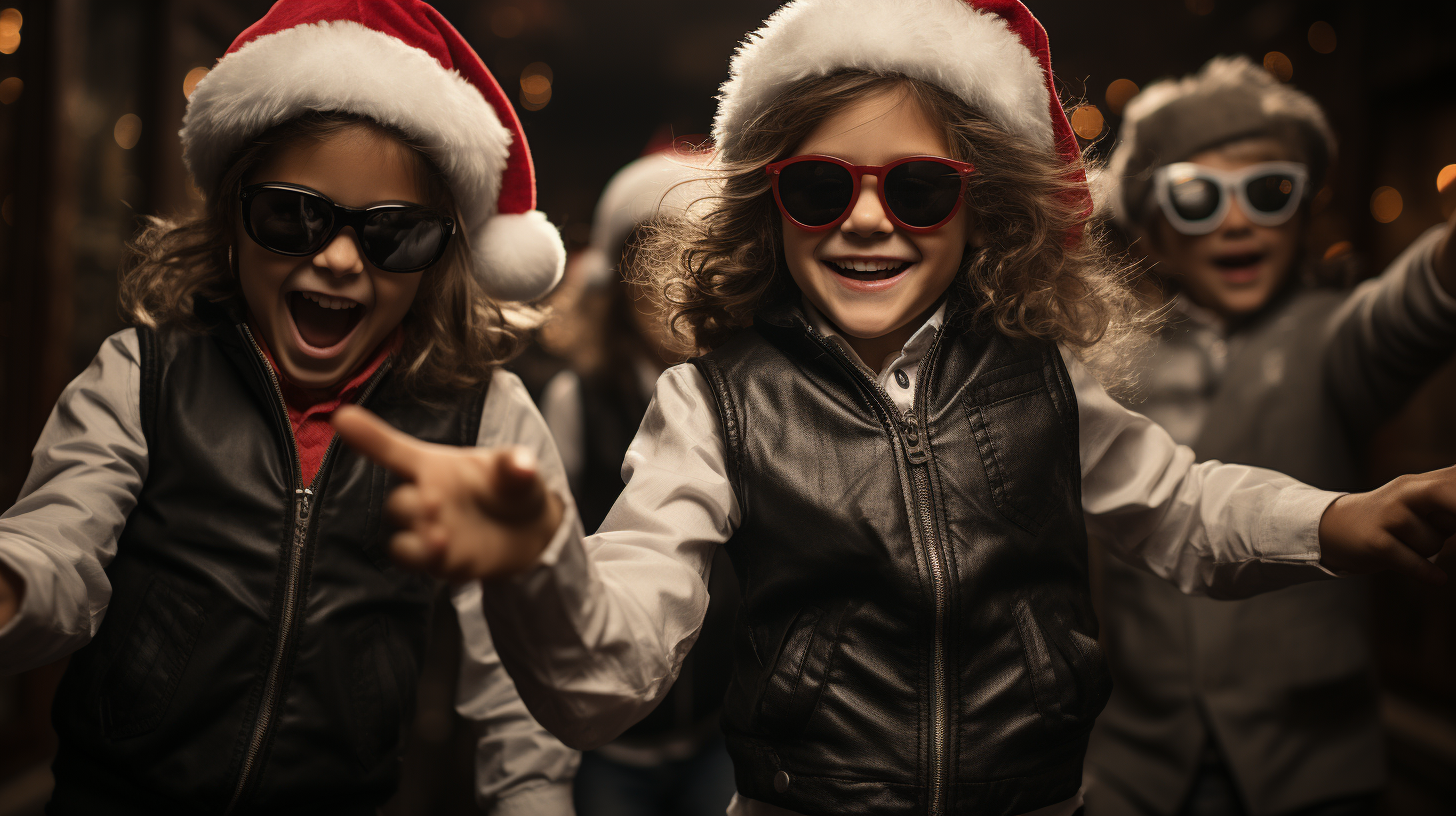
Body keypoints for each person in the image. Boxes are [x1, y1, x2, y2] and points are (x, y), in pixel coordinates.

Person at [332, 2, 1455, 815]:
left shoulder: (1041, 374)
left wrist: (1331, 524)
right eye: (821, 187)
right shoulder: (714, 399)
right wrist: (539, 568)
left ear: (982, 211)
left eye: (916, 188)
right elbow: (611, 676)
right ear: (769, 208)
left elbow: (1184, 510)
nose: (867, 220)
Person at [0, 1, 579, 813]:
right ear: (233, 220)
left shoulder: (485, 417)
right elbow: (57, 548)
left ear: (438, 258)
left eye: (393, 234)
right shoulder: (144, 375)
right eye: (293, 216)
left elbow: (522, 674)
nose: (339, 258)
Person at [1083, 56, 1456, 816]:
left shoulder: (1330, 340)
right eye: (1196, 197)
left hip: (1312, 767)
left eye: (1269, 191)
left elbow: (1402, 315)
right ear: (1153, 225)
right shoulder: (1107, 363)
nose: (1236, 219)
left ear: (1300, 211)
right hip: (1134, 767)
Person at [540, 150, 740, 816]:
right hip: (610, 747)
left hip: (718, 734)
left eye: (693, 266)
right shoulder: (578, 400)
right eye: (652, 270)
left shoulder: (742, 403)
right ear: (621, 287)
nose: (673, 290)